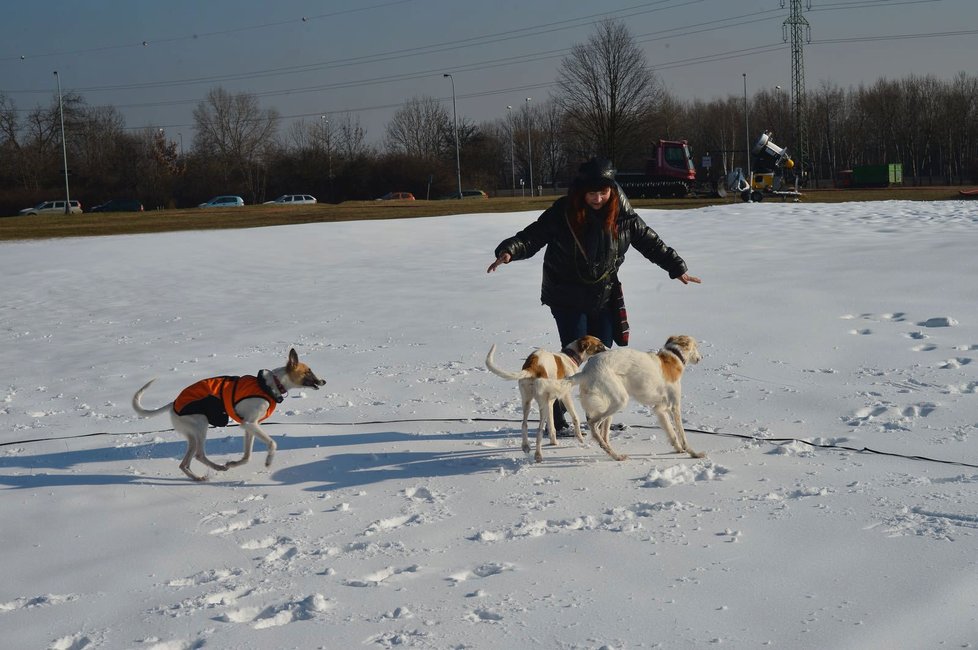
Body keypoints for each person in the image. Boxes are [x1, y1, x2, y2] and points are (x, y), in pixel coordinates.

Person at [487, 157, 701, 433]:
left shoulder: (624, 217)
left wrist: (676, 267)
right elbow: (533, 236)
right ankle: (557, 417)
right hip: (566, 295)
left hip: (603, 294)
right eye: (592, 193)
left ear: (612, 189)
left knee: (603, 358)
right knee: (573, 358)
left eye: (604, 191)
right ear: (581, 192)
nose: (598, 198)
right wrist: (509, 251)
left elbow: (650, 241)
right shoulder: (563, 213)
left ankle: (597, 416)